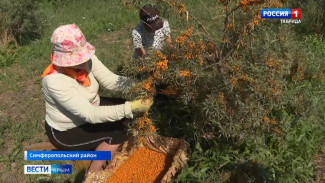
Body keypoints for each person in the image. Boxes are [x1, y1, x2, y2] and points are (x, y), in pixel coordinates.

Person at [41, 24, 153, 172]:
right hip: (68, 129)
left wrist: (140, 86)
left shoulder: (86, 58)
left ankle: (109, 151)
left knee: (128, 115)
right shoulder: (55, 81)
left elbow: (110, 80)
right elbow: (90, 115)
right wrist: (130, 107)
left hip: (93, 107)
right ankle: (93, 174)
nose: (84, 60)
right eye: (78, 58)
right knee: (118, 132)